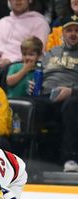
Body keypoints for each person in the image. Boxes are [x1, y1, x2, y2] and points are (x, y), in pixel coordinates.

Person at [41, 14, 78, 172]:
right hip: (46, 94)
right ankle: (22, 158)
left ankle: (70, 159)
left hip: (72, 95)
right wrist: (33, 84)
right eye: (69, 30)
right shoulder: (51, 52)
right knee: (25, 106)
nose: (73, 34)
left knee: (71, 106)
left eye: (77, 30)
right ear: (62, 33)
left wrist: (71, 91)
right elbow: (40, 73)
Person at [0, 0, 49, 68]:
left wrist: (10, 61)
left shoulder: (40, 23)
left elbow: (39, 53)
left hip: (23, 71)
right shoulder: (1, 23)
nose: (18, 0)